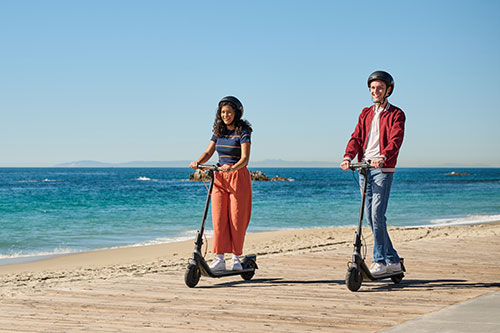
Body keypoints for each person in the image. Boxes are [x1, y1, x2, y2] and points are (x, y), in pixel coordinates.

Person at [340, 71, 406, 276]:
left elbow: (396, 140)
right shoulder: (365, 113)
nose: (374, 91)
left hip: (382, 169)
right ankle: (393, 260)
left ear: (388, 90)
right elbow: (356, 137)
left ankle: (380, 260)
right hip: (364, 168)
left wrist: (383, 157)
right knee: (371, 216)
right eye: (372, 88)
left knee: (377, 214)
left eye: (378, 88)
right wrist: (347, 157)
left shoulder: (397, 114)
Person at [190, 96, 253, 272]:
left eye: (229, 112)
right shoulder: (219, 131)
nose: (225, 115)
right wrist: (197, 161)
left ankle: (236, 258)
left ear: (236, 113)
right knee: (218, 219)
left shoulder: (243, 131)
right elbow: (209, 151)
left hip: (237, 177)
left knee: (236, 219)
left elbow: (245, 159)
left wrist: (232, 168)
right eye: (223, 112)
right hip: (219, 178)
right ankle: (219, 258)